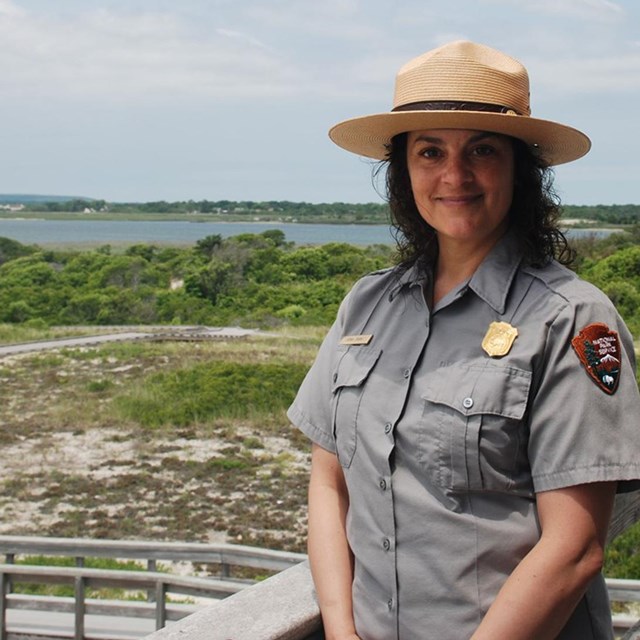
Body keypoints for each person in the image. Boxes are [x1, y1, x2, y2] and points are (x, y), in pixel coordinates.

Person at [287, 40, 640, 640]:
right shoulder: (368, 304)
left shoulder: (572, 318)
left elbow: (575, 547)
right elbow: (329, 480)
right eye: (430, 152)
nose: (455, 175)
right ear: (403, 170)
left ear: (520, 169)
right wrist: (342, 632)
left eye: (482, 150)